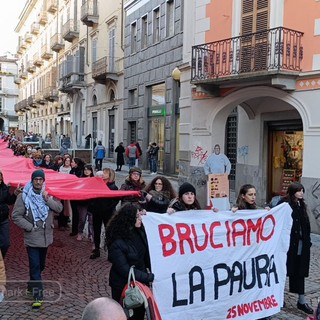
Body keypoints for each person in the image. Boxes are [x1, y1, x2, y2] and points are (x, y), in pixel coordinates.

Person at [12, 169, 63, 308]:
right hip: (32, 237)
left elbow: (59, 208)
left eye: (41, 179)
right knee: (35, 266)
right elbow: (16, 216)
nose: (38, 182)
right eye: (36, 179)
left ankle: (31, 284)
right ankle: (38, 295)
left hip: (46, 238)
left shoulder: (49, 193)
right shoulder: (23, 196)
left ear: (43, 181)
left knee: (41, 266)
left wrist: (47, 200)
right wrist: (29, 227)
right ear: (32, 180)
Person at [106, 203, 154, 320]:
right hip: (123, 286)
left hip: (140, 284)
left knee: (139, 314)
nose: (140, 218)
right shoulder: (117, 242)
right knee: (125, 315)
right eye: (137, 216)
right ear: (129, 219)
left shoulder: (140, 232)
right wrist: (147, 277)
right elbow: (124, 270)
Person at [277, 183, 313, 315]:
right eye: (299, 191)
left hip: (302, 245)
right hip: (288, 245)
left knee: (300, 271)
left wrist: (307, 241)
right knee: (284, 269)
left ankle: (301, 301)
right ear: (292, 192)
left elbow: (306, 223)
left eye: (302, 190)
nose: (302, 193)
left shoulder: (301, 204)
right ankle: (279, 297)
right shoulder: (284, 204)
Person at [89, 168, 119, 259]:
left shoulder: (113, 187)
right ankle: (96, 249)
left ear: (110, 175)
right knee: (96, 231)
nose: (103, 174)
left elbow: (115, 200)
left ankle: (110, 251)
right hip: (97, 211)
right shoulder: (97, 184)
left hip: (108, 213)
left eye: (105, 173)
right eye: (103, 172)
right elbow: (92, 196)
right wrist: (93, 206)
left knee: (108, 231)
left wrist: (108, 208)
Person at [0, 171, 22, 258]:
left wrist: (15, 193)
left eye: (1, 178)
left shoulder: (4, 188)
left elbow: (9, 201)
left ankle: (1, 260)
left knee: (5, 243)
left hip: (3, 219)